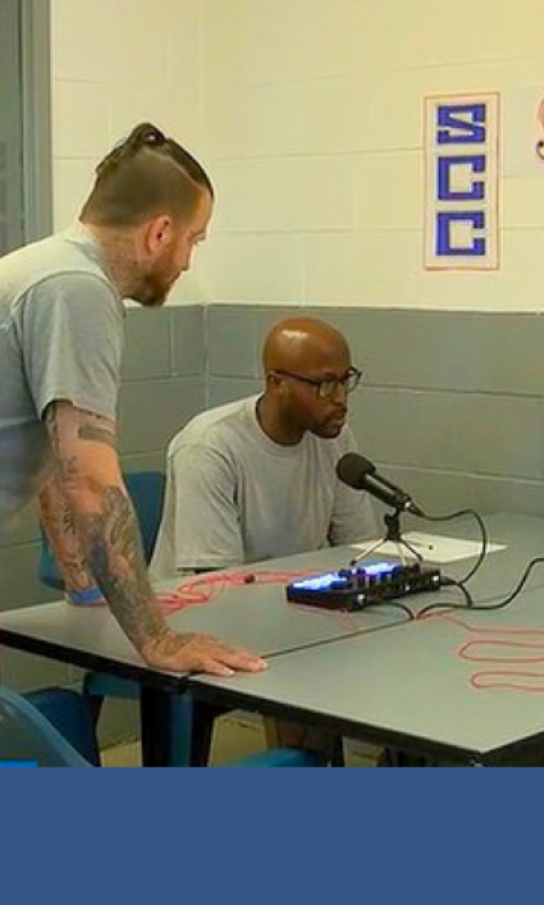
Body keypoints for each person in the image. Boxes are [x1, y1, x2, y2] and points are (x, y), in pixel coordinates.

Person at [0, 123, 265, 678]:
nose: (188, 261)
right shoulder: (76, 289)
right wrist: (158, 640)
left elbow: (55, 458)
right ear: (160, 232)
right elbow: (90, 480)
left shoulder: (45, 269)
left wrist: (83, 584)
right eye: (194, 240)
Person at [152, 317, 378, 576]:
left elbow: (360, 550)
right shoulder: (208, 447)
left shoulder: (335, 439)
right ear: (277, 383)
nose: (340, 398)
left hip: (291, 594)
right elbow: (217, 581)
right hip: (202, 598)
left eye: (345, 380)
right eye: (325, 385)